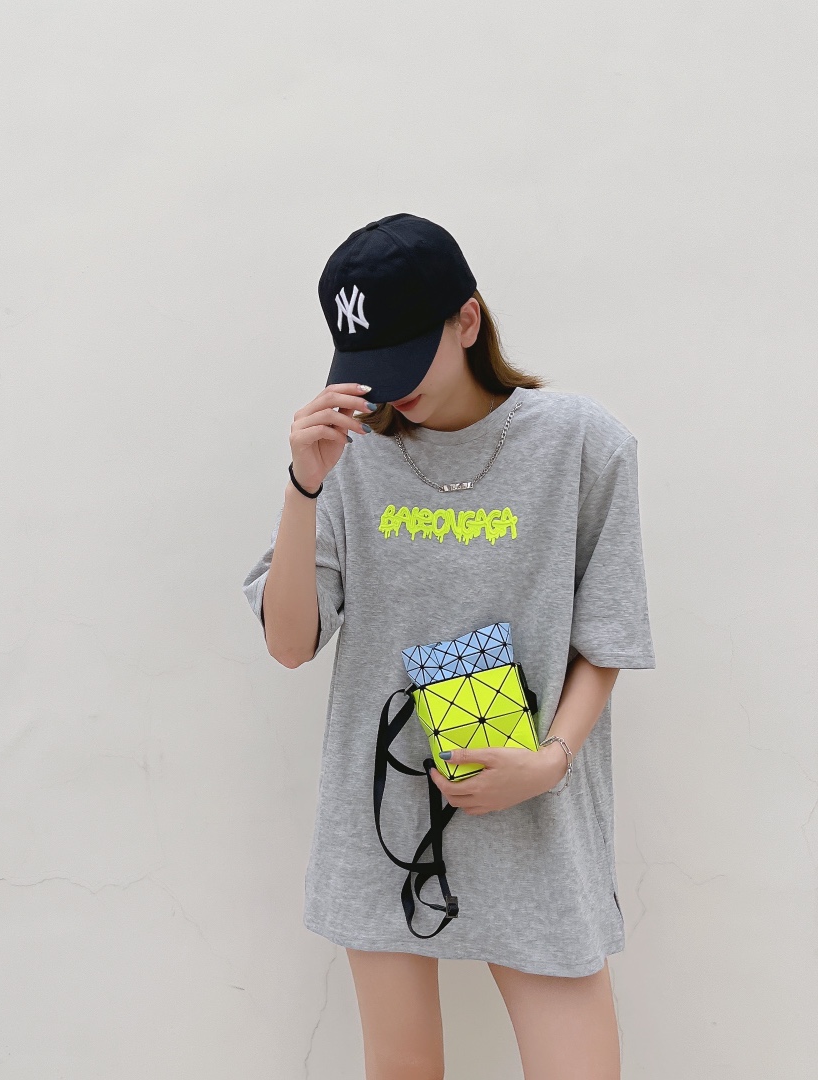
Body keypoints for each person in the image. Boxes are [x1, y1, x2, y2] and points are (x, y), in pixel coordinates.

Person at [241, 213, 656, 1080]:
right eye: (370, 365)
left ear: (468, 320)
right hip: (383, 821)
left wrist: (548, 761)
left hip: (536, 811)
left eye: (406, 356)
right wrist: (304, 485)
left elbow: (607, 633)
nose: (392, 390)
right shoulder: (349, 457)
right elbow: (290, 643)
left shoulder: (583, 442)